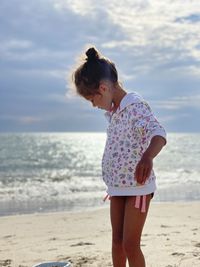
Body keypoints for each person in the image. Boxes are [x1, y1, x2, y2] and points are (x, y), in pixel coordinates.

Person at [72, 47, 167, 267]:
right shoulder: (115, 113)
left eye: (91, 100)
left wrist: (147, 158)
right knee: (117, 242)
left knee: (130, 245)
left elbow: (158, 133)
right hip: (117, 187)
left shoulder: (135, 107)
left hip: (137, 187)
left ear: (103, 88)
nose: (93, 105)